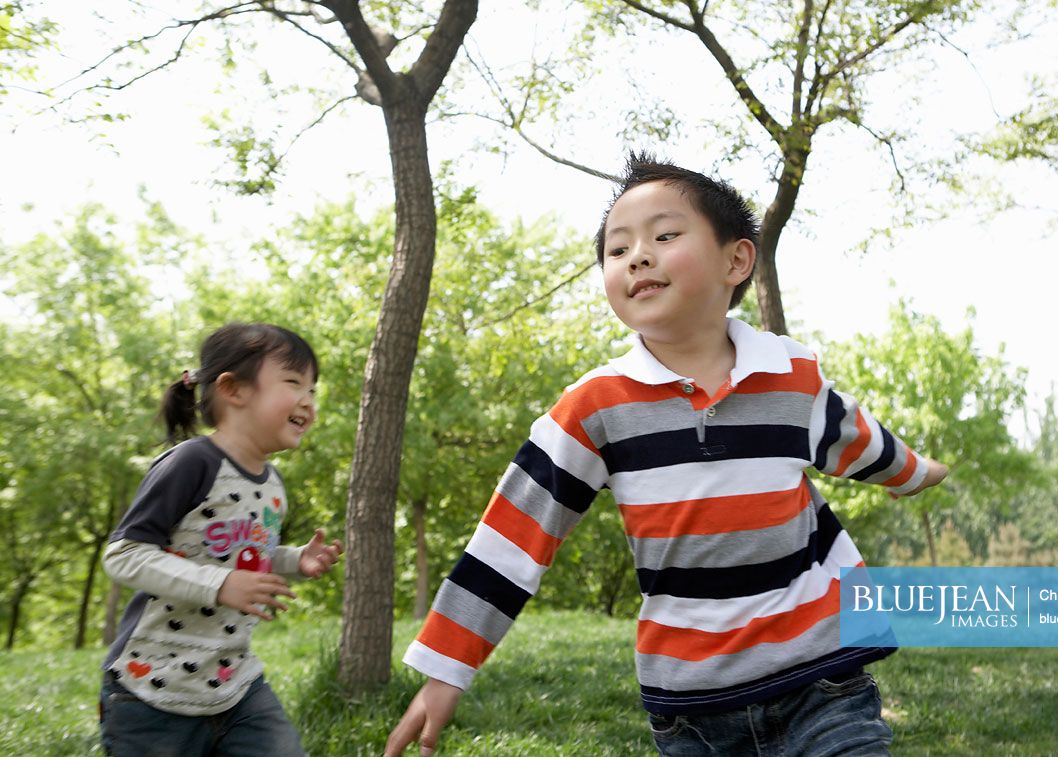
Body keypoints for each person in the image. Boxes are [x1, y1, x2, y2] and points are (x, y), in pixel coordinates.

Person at [386, 154, 948, 757]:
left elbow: (859, 438)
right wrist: (448, 667)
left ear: (736, 260)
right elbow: (513, 536)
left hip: (824, 676)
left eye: (665, 235)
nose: (638, 256)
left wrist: (914, 474)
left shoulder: (792, 377)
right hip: (693, 709)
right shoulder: (593, 408)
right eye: (617, 249)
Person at [99, 322, 343, 757]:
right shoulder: (193, 462)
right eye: (294, 383)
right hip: (152, 688)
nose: (308, 401)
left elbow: (240, 554)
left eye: (313, 390)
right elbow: (125, 554)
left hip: (235, 684)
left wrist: (291, 560)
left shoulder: (272, 483)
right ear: (234, 390)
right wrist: (219, 585)